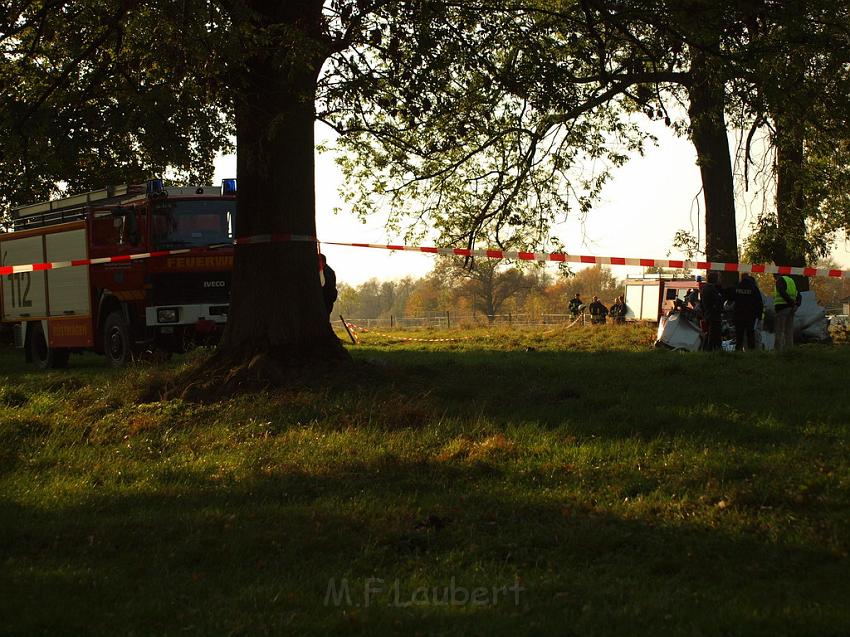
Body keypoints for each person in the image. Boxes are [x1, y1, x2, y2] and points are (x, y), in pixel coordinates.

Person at [733, 273, 763, 351]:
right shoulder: (753, 287)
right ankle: (751, 352)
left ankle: (738, 351)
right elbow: (759, 302)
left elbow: (733, 299)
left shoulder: (737, 286)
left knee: (739, 335)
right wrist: (759, 316)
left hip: (739, 315)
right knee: (750, 334)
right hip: (750, 316)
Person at [773, 273, 800, 351]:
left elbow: (782, 292)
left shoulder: (780, 281)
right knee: (789, 331)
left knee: (779, 330)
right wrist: (796, 305)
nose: (774, 278)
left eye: (774, 276)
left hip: (782, 309)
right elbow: (798, 295)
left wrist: (791, 303)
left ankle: (778, 351)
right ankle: (789, 351)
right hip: (791, 309)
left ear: (777, 275)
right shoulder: (791, 281)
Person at [700, 272, 723, 351]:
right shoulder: (712, 289)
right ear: (715, 279)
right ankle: (712, 351)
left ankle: (707, 350)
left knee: (710, 334)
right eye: (719, 278)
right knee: (715, 335)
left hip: (708, 315)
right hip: (714, 316)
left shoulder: (704, 288)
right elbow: (717, 301)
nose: (720, 280)